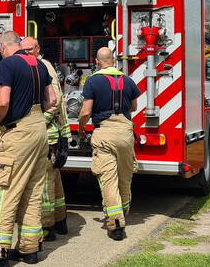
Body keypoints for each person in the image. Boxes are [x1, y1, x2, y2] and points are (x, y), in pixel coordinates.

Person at [0, 30, 55, 267]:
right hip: (39, 130)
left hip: (18, 133)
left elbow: (3, 101)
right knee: (32, 192)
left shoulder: (8, 65)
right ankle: (29, 249)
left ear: (2, 46)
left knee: (4, 192)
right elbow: (51, 100)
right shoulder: (39, 65)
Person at [78, 47, 140, 241]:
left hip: (104, 132)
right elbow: (134, 106)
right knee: (124, 177)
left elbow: (86, 111)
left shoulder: (92, 81)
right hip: (125, 133)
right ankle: (124, 210)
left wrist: (81, 127)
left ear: (97, 62)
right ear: (113, 60)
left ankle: (116, 224)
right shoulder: (128, 80)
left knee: (108, 179)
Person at [19, 36, 69, 239]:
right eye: (23, 50)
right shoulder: (34, 66)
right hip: (47, 133)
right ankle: (60, 219)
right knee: (54, 178)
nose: (26, 53)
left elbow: (55, 102)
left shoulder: (43, 67)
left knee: (45, 183)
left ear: (38, 49)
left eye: (30, 49)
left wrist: (37, 122)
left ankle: (47, 226)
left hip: (47, 134)